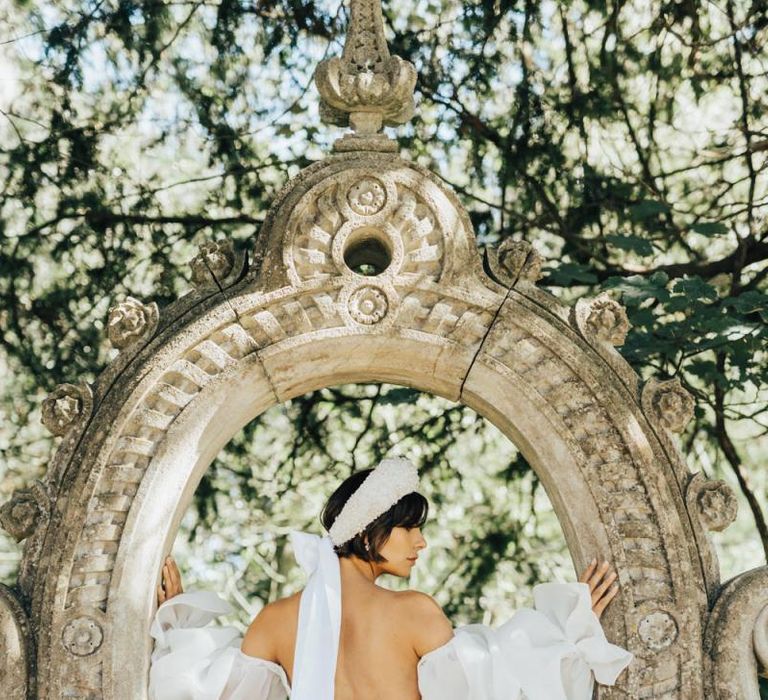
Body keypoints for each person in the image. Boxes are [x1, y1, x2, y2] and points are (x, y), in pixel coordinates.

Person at [149, 457, 632, 700]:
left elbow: (206, 691)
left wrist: (180, 624)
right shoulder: (414, 612)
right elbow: (496, 683)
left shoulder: (274, 622)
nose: (420, 543)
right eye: (409, 527)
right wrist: (566, 627)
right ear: (367, 532)